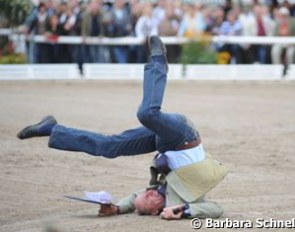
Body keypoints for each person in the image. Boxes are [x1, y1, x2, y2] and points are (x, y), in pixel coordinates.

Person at [17, 36, 228, 220]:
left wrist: (118, 208)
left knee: (109, 146)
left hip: (163, 143)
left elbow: (135, 198)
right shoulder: (184, 199)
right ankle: (158, 62)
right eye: (150, 198)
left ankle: (52, 129)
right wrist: (185, 211)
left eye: (145, 194)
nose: (149, 193)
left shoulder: (153, 196)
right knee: (147, 113)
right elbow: (216, 208)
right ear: (158, 210)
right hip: (184, 135)